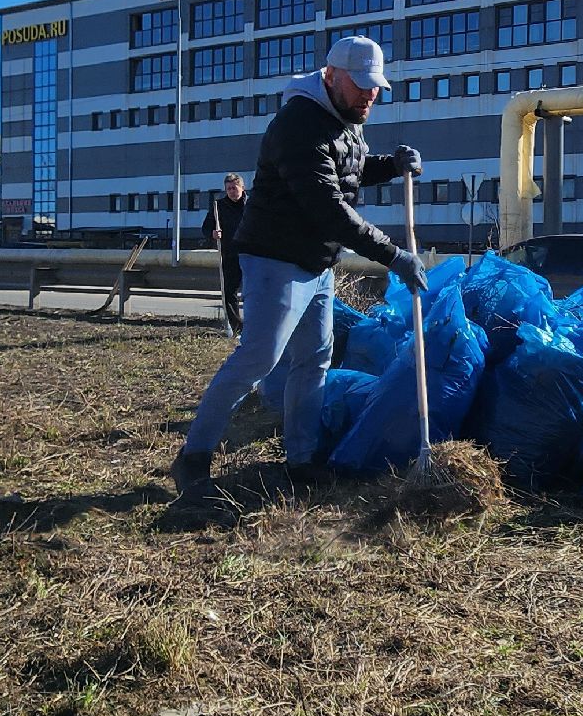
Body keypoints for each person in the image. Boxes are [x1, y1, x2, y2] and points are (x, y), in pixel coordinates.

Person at [171, 35, 426, 497]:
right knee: (259, 357)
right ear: (331, 77)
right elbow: (328, 206)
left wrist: (392, 165)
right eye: (361, 85)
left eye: (375, 87)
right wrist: (392, 255)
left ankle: (301, 460)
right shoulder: (298, 125)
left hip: (317, 261)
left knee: (314, 360)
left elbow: (351, 168)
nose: (371, 95)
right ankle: (194, 455)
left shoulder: (345, 118)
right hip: (275, 257)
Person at [200, 172, 248, 334]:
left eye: (234, 188)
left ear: (242, 187)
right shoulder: (218, 206)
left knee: (253, 291)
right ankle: (237, 327)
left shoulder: (252, 205)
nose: (232, 192)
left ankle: (255, 325)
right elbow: (206, 228)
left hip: (251, 254)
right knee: (229, 292)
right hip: (229, 254)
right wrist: (213, 233)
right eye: (228, 189)